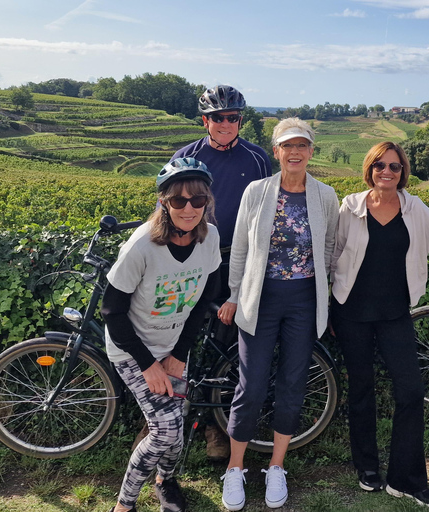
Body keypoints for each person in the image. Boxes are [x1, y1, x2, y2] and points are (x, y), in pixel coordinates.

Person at [330, 141, 429, 509]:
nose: (387, 172)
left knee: (410, 392)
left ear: (402, 172)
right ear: (369, 169)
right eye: (379, 165)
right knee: (361, 391)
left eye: (394, 166)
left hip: (395, 313)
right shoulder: (350, 207)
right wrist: (327, 308)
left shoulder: (414, 208)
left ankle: (405, 479)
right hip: (351, 313)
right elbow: (332, 256)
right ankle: (367, 467)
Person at [216, 118, 339, 511]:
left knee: (292, 382)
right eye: (288, 145)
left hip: (304, 299)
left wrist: (326, 297)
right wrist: (234, 294)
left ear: (311, 152)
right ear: (276, 152)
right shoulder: (257, 191)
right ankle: (235, 468)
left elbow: (329, 248)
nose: (295, 152)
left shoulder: (325, 195)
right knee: (250, 385)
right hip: (260, 299)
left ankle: (276, 466)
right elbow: (240, 247)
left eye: (302, 145)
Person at [103, 157, 222, 512]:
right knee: (165, 430)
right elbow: (112, 312)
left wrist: (179, 354)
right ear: (164, 202)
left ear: (207, 202)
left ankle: (165, 481)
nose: (189, 208)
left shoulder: (210, 239)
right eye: (178, 200)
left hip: (171, 348)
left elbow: (203, 301)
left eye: (197, 199)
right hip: (131, 349)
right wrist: (148, 365)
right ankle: (124, 505)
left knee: (176, 420)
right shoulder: (142, 245)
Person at [171, 84, 272, 460]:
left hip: (235, 261)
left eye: (232, 117)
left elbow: (267, 213)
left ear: (240, 120)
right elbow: (167, 208)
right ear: (205, 121)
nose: (225, 123)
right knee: (174, 334)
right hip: (192, 258)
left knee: (226, 345)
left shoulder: (258, 158)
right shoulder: (186, 157)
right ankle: (158, 421)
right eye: (217, 117)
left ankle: (215, 427)